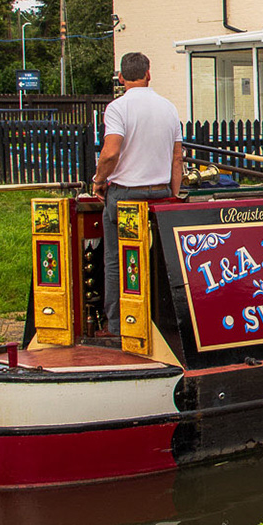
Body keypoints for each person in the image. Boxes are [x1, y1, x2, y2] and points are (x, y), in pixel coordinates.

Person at [90, 52, 184, 336]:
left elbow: (111, 152)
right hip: (160, 194)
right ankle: (160, 322)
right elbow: (177, 158)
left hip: (125, 196)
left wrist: (98, 181)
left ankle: (118, 325)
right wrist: (174, 195)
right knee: (159, 260)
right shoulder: (168, 108)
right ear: (148, 74)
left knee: (116, 261)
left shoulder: (117, 108)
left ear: (121, 77)